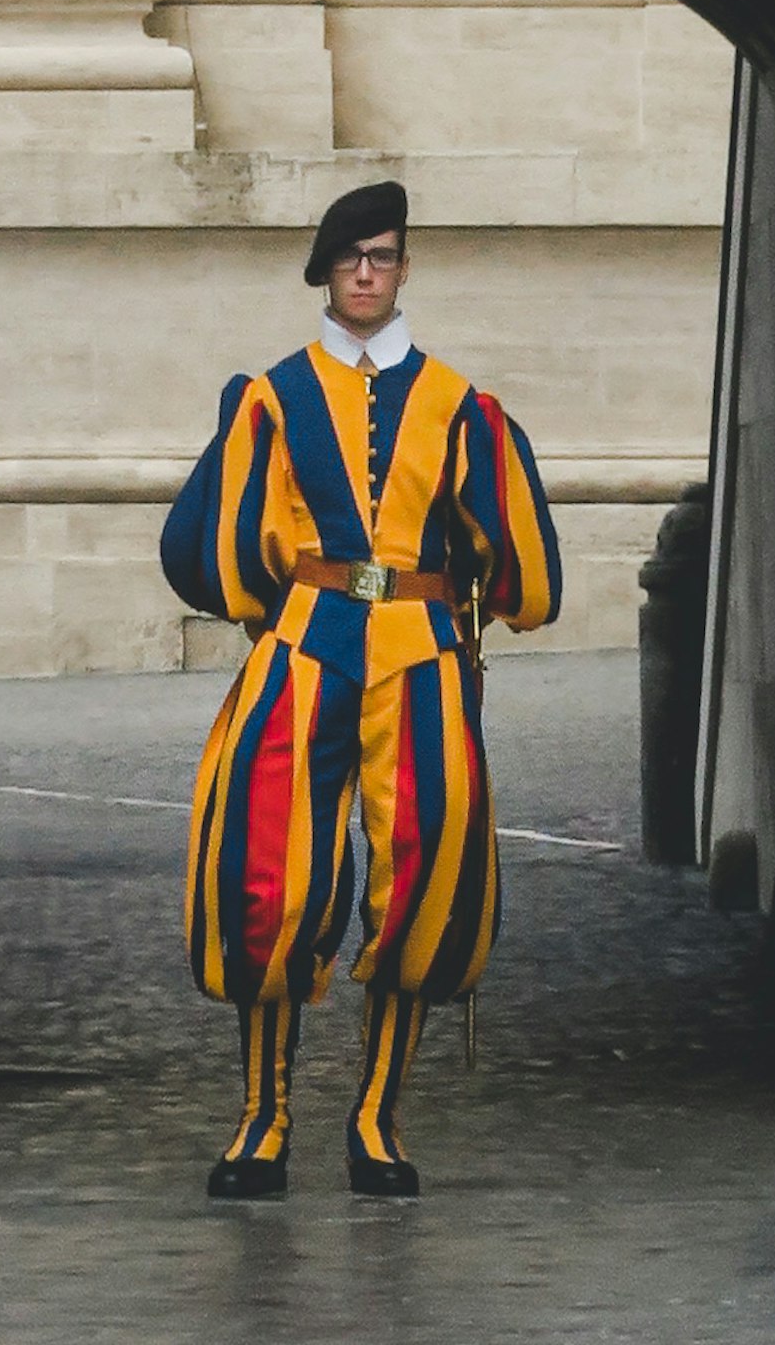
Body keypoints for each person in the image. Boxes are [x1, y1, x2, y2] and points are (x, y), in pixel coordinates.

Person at [158, 178, 561, 1202]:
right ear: (327, 276)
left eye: (383, 256)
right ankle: (264, 1117)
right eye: (351, 261)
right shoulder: (276, 397)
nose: (369, 273)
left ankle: (377, 1118)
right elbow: (236, 550)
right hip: (305, 642)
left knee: (427, 869)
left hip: (420, 651)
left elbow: (519, 572)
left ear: (404, 266)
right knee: (266, 873)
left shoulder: (460, 406)